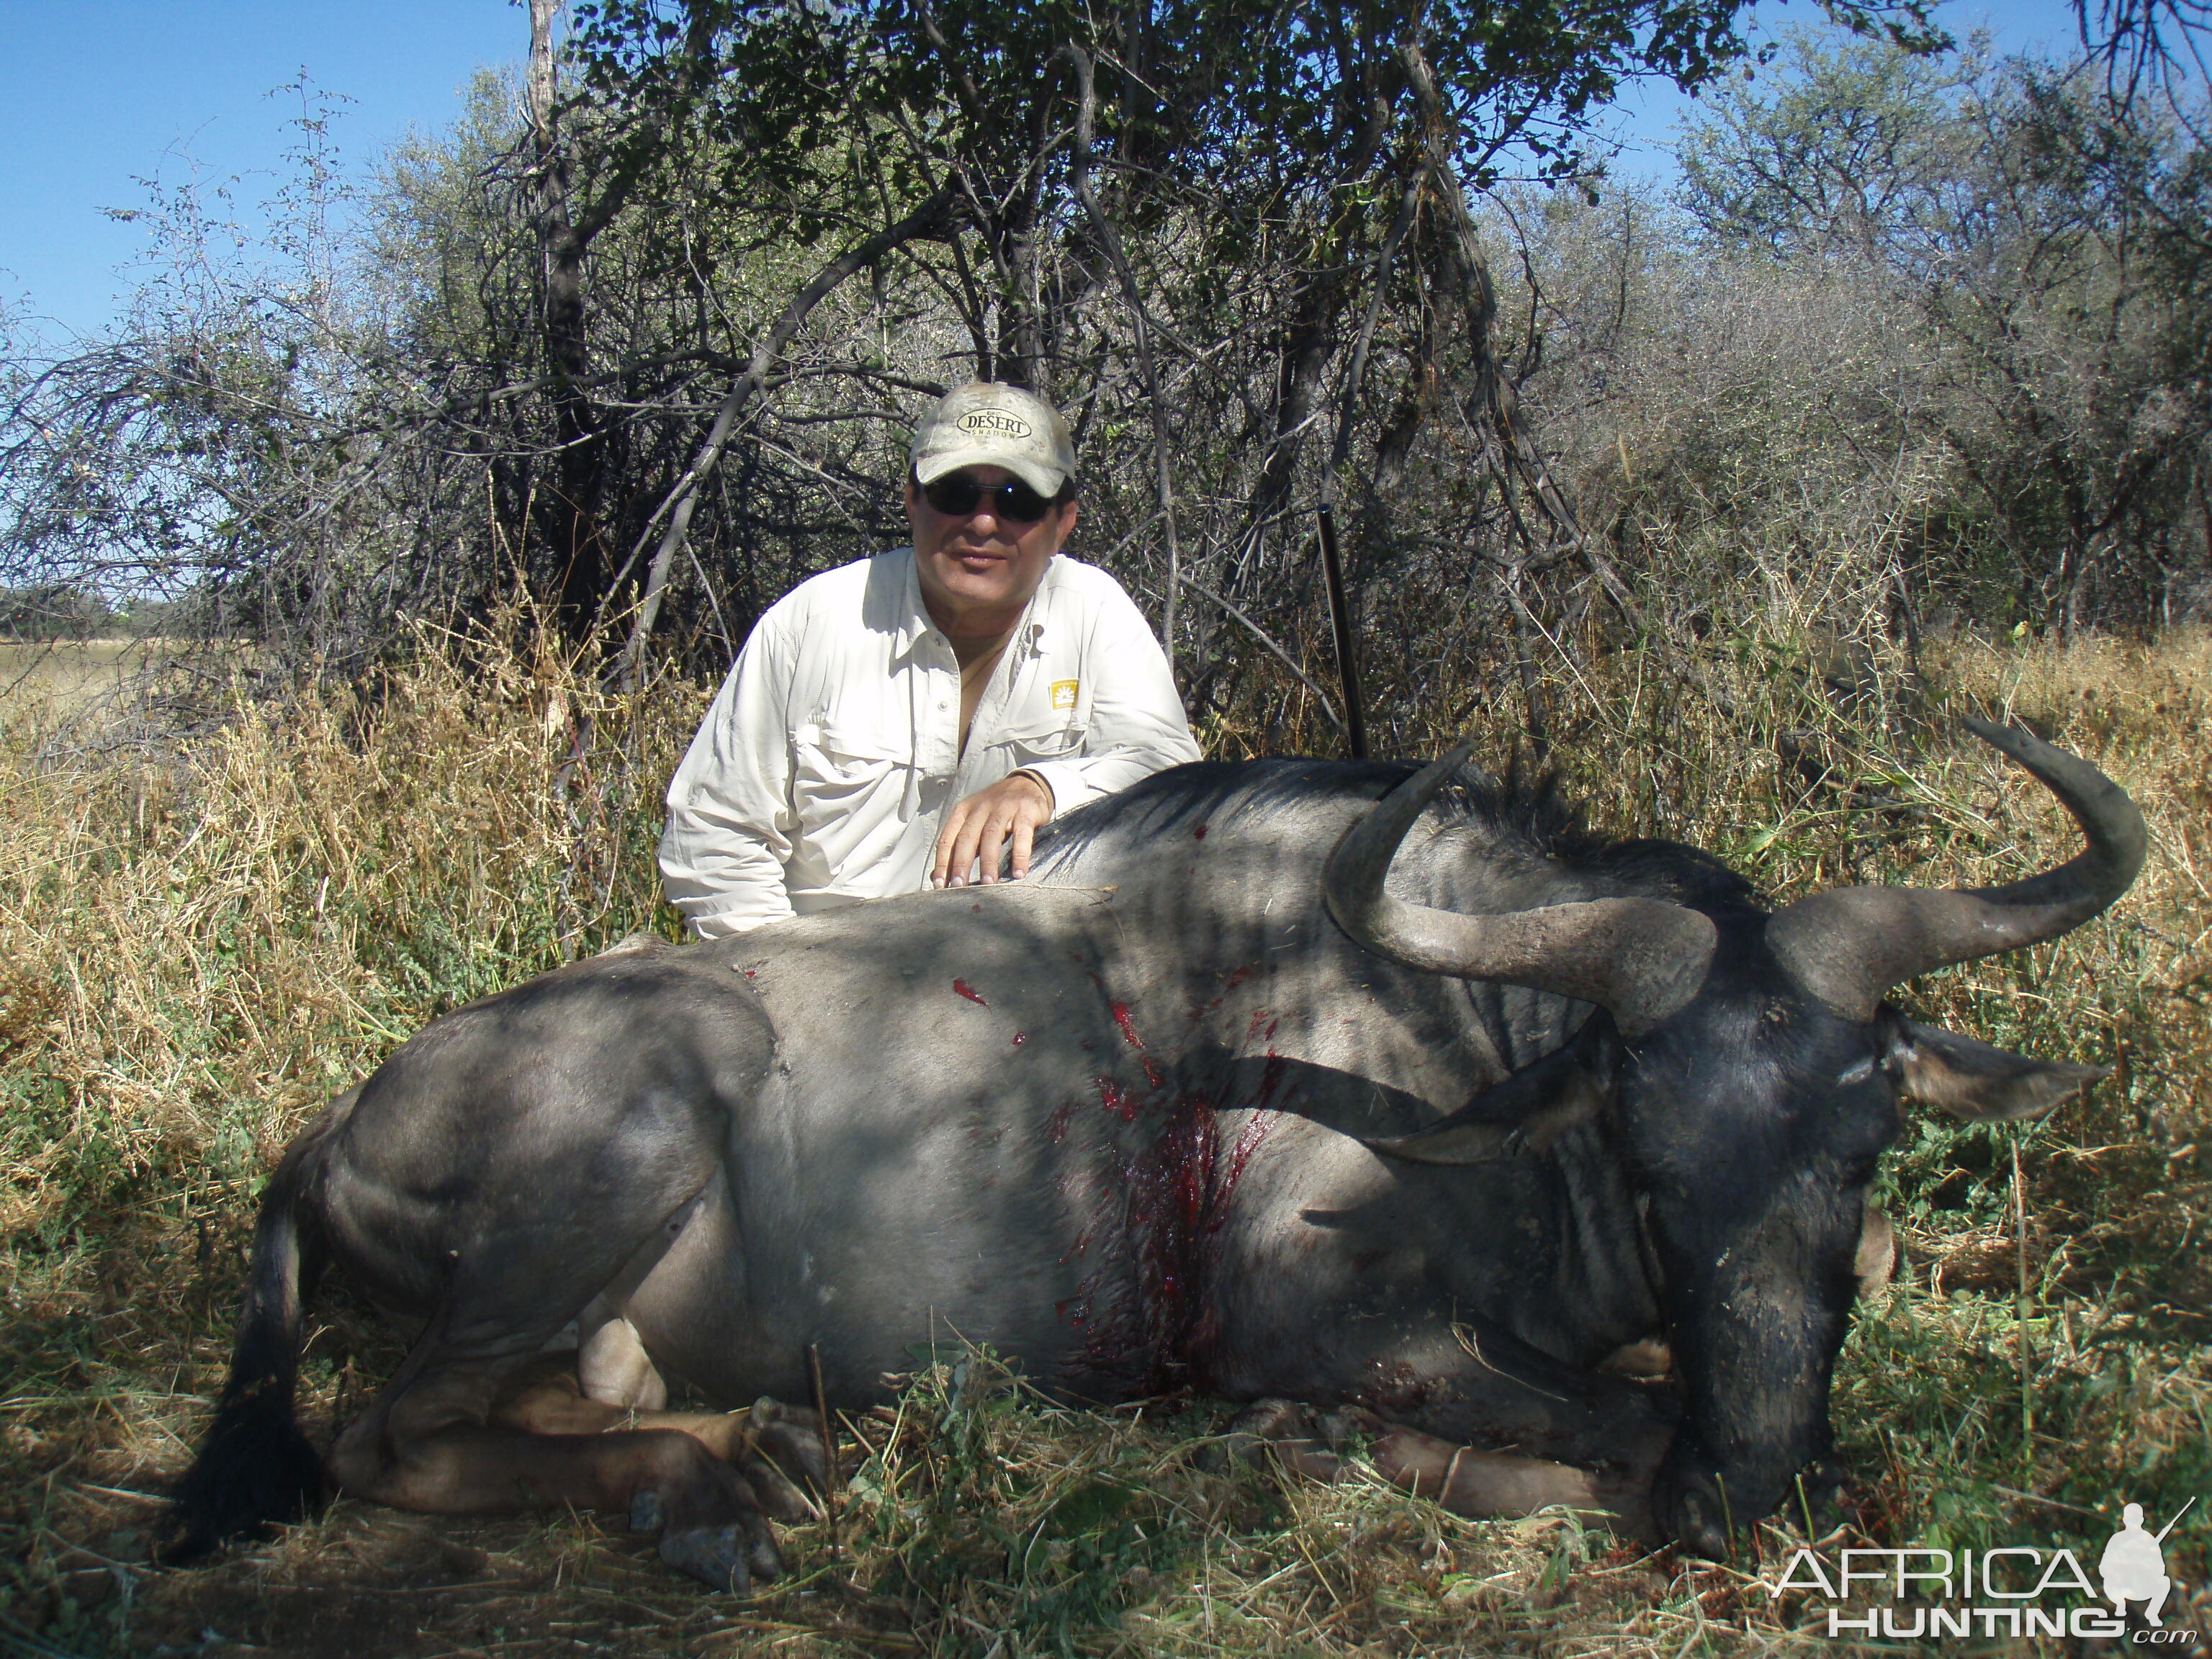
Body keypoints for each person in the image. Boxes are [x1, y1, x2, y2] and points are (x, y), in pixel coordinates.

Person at [660, 382, 1201, 938]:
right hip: (817, 975)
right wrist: (781, 980)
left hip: (1024, 981)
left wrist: (1044, 786)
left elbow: (1172, 773)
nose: (984, 523)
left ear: (1063, 522)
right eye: (956, 493)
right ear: (913, 500)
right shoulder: (809, 623)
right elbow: (714, 833)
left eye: (1018, 501)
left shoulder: (1094, 613)